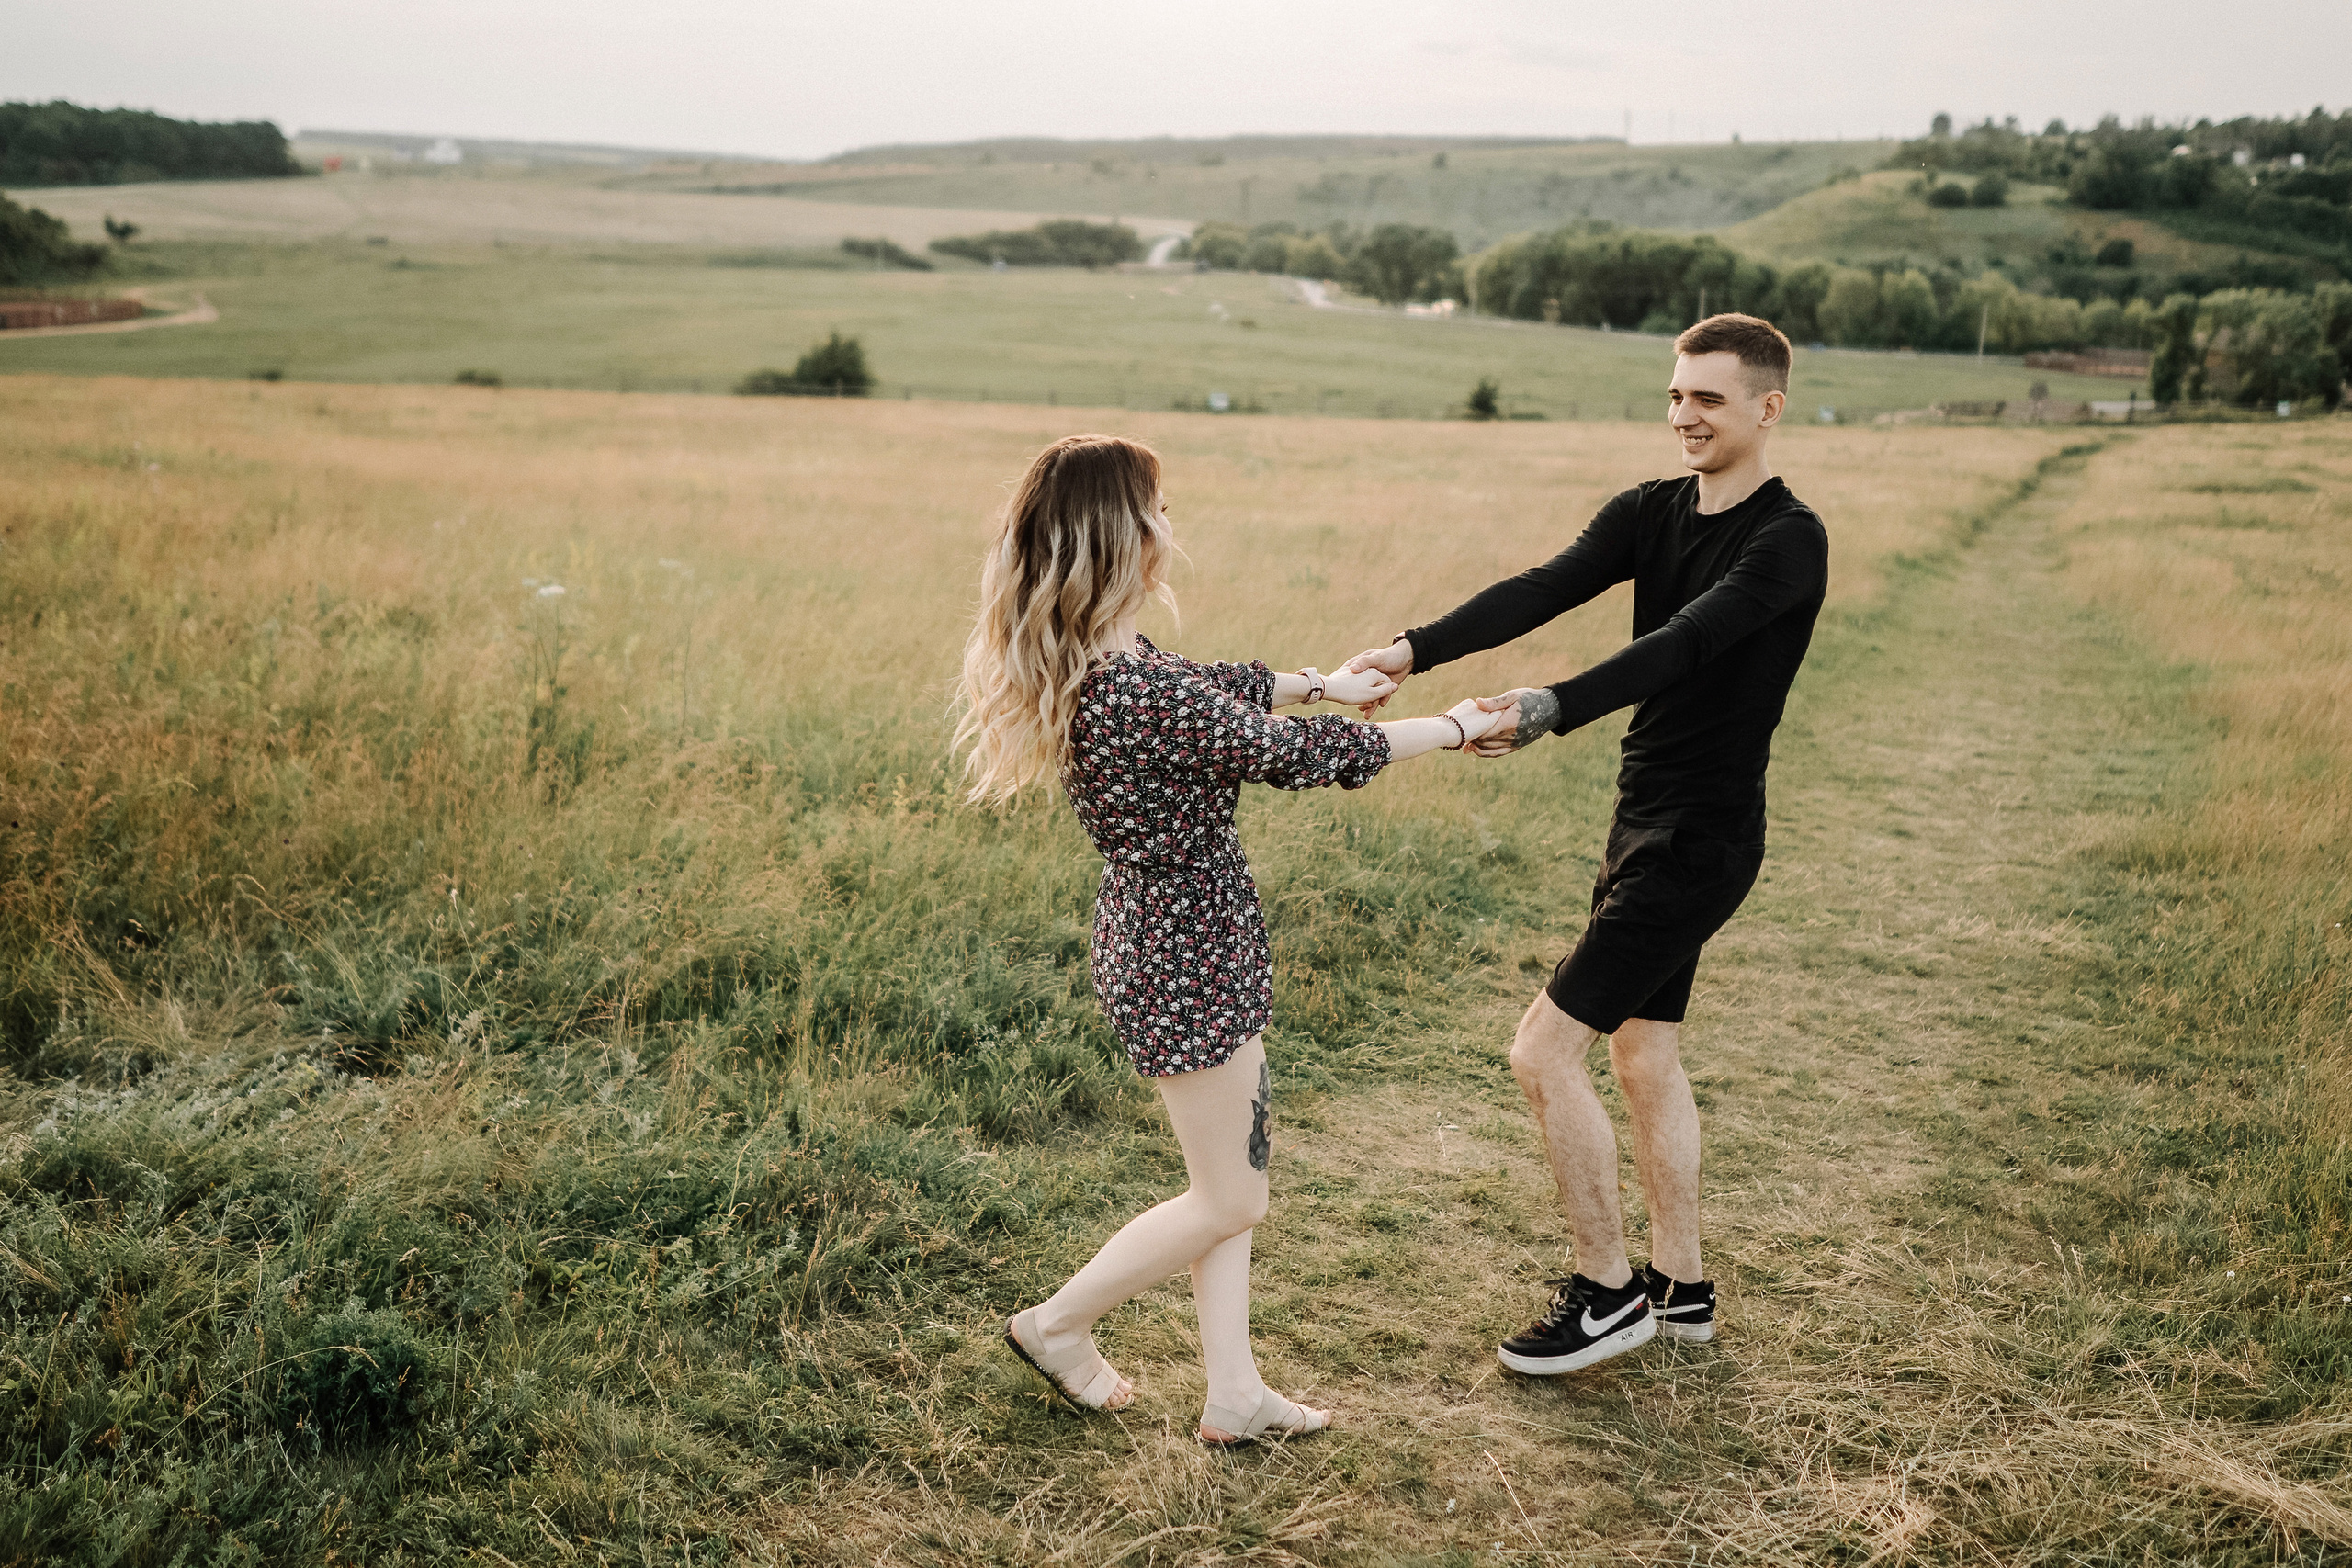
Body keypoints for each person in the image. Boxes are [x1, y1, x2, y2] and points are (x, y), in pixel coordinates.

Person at [954, 433, 1510, 1444]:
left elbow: (1219, 692)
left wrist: (1322, 681)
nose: (1171, 526)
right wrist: (1456, 727)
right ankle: (1058, 1326)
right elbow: (1297, 759)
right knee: (1231, 1195)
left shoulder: (1112, 662)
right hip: (1183, 950)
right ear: (1125, 535)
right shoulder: (1135, 687)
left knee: (1223, 1187)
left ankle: (1234, 1393)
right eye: (1157, 509)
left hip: (1171, 934)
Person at [1344, 314, 1828, 1375]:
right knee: (1642, 1052)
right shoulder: (1648, 511)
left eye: (1707, 398)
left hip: (1701, 837)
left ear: (1765, 408)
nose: (1683, 416)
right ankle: (1682, 1287)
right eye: (1674, 395)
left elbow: (1685, 641)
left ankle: (1608, 1295)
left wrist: (1551, 704)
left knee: (1540, 1051)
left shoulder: (1787, 539)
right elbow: (1544, 584)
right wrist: (1409, 651)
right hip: (1642, 814)